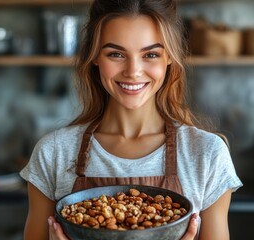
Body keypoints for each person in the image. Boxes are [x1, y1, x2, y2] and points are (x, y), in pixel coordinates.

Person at [19, 0, 243, 239]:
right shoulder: (54, 152)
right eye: (116, 54)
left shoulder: (207, 154)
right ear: (95, 56)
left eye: (151, 54)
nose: (133, 71)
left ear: (169, 58)